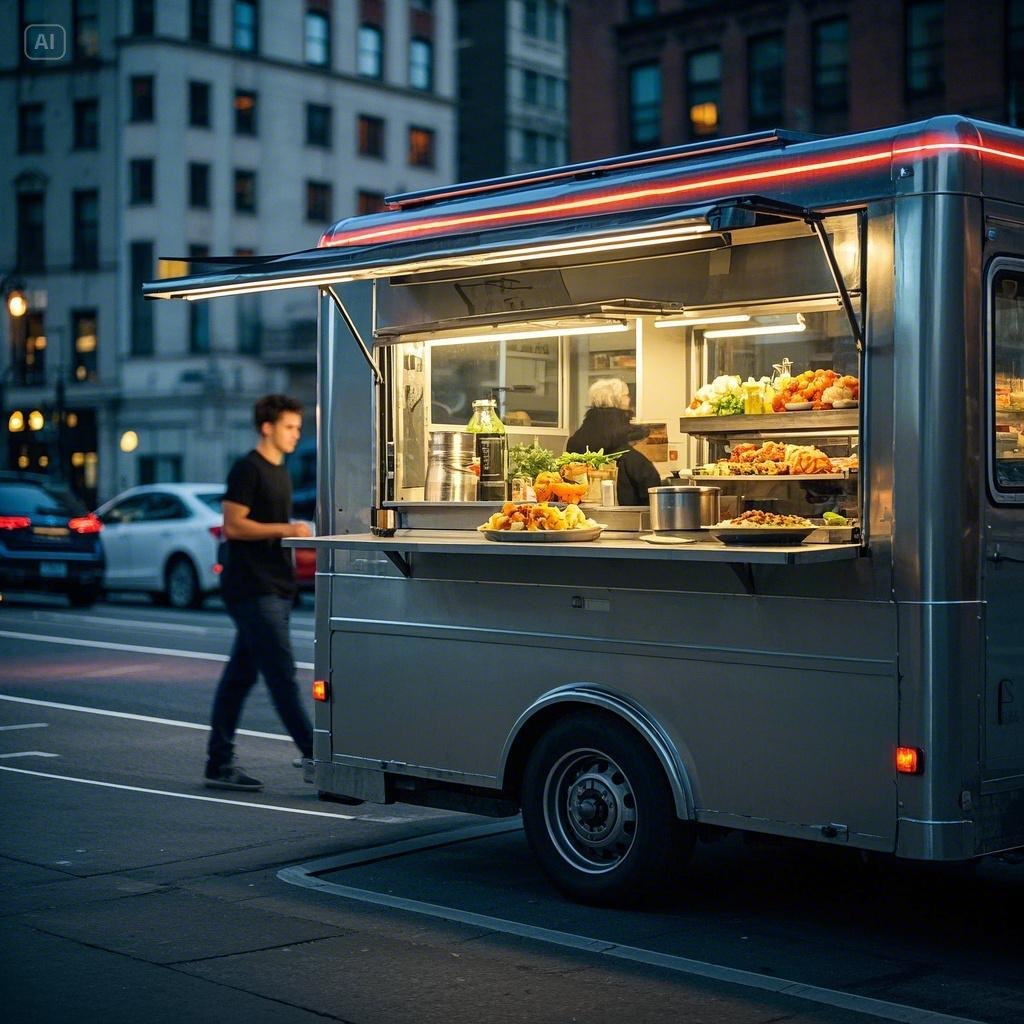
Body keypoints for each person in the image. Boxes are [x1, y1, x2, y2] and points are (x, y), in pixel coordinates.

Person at [204, 394, 314, 792]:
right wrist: (287, 529)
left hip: (275, 586)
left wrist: (286, 528)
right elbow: (234, 526)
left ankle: (218, 763)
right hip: (251, 587)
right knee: (282, 677)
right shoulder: (247, 469)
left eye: (298, 428)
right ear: (267, 427)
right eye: (289, 427)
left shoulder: (282, 471)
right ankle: (317, 757)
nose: (296, 435)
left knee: (239, 677)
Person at [566, 377, 661, 506]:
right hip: (626, 514)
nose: (629, 399)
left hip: (581, 512)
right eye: (626, 395)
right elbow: (649, 482)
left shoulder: (579, 437)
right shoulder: (624, 436)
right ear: (616, 399)